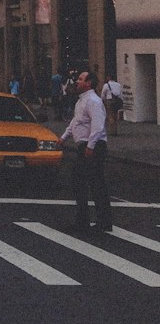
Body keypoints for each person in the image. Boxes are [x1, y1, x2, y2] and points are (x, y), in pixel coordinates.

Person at [60, 69, 111, 234]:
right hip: (85, 146)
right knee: (81, 182)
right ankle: (85, 220)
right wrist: (64, 137)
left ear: (88, 83)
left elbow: (98, 125)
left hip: (93, 146)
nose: (77, 81)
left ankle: (101, 222)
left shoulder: (93, 101)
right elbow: (76, 122)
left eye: (80, 79)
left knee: (95, 183)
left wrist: (91, 146)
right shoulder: (81, 101)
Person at [101, 74, 124, 138]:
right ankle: (115, 130)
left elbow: (103, 94)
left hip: (109, 101)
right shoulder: (118, 85)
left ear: (108, 77)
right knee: (115, 115)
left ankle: (112, 131)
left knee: (110, 115)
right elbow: (120, 94)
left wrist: (102, 100)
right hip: (116, 101)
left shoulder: (106, 85)